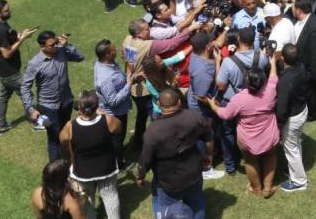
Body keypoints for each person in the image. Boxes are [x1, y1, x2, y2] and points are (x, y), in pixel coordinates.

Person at [206, 53, 280, 198]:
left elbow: (225, 114)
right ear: (262, 82)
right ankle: (268, 188)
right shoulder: (270, 91)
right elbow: (273, 78)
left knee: (250, 162)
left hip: (248, 139)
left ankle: (256, 189)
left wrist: (212, 105)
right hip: (269, 135)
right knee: (270, 157)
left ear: (247, 83)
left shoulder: (238, 99)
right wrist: (272, 63)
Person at [121, 18, 199, 151]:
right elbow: (172, 44)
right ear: (139, 34)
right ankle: (157, 143)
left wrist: (132, 78)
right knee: (157, 119)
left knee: (141, 115)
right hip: (146, 90)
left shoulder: (128, 40)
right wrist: (190, 30)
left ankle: (138, 143)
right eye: (146, 29)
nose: (150, 30)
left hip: (134, 90)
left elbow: (129, 63)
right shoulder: (148, 45)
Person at [136, 88, 214, 218]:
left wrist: (140, 177)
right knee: (197, 206)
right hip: (194, 174)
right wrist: (209, 157)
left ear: (159, 105)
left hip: (168, 183)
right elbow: (209, 138)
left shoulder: (153, 131)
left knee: (165, 209)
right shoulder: (194, 116)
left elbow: (145, 160)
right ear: (179, 101)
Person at [21, 31, 85, 161]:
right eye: (52, 45)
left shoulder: (62, 51)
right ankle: (55, 170)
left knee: (65, 132)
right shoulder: (35, 63)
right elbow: (25, 87)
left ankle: (66, 158)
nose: (56, 46)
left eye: (57, 43)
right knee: (53, 138)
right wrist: (30, 109)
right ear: (42, 46)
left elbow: (80, 57)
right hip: (48, 107)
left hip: (66, 102)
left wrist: (67, 46)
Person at [59, 91, 122, 219]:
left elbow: (62, 140)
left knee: (87, 200)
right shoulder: (108, 120)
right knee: (111, 196)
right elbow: (119, 128)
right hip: (106, 169)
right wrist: (103, 113)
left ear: (80, 109)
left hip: (82, 172)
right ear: (96, 107)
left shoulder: (70, 126)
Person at [215, 26, 269, 175]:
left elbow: (220, 86)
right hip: (255, 100)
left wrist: (218, 62)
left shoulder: (228, 62)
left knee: (228, 133)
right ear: (254, 41)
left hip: (233, 101)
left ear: (238, 39)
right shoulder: (262, 57)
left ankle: (231, 166)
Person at [0, 0, 37, 136]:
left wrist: (20, 36)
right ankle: (35, 122)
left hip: (3, 70)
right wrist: (22, 39)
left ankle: (1, 125)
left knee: (4, 96)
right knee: (26, 93)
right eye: (6, 10)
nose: (9, 11)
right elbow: (7, 53)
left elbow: (7, 42)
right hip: (9, 71)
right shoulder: (0, 29)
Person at [186, 31, 226, 180]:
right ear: (208, 47)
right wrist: (215, 106)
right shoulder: (202, 70)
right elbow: (201, 95)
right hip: (201, 110)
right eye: (212, 41)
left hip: (202, 105)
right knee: (206, 138)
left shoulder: (198, 56)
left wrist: (216, 62)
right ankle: (206, 168)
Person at [93, 39, 133, 169]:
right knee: (116, 140)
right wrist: (128, 84)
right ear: (107, 55)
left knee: (115, 140)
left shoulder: (105, 63)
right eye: (113, 50)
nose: (116, 51)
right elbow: (113, 102)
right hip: (115, 115)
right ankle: (117, 164)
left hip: (117, 111)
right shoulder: (106, 79)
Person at [275, 43, 309, 192]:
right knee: (295, 144)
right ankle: (294, 170)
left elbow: (281, 108)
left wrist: (279, 124)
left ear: (283, 58)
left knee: (291, 148)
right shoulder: (301, 67)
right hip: (302, 110)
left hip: (293, 117)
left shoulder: (285, 81)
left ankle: (299, 182)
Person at [292, 0, 316, 121]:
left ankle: (312, 114)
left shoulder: (315, 27)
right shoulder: (303, 20)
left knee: (309, 93)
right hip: (304, 65)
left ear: (298, 10)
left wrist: (311, 76)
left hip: (311, 69)